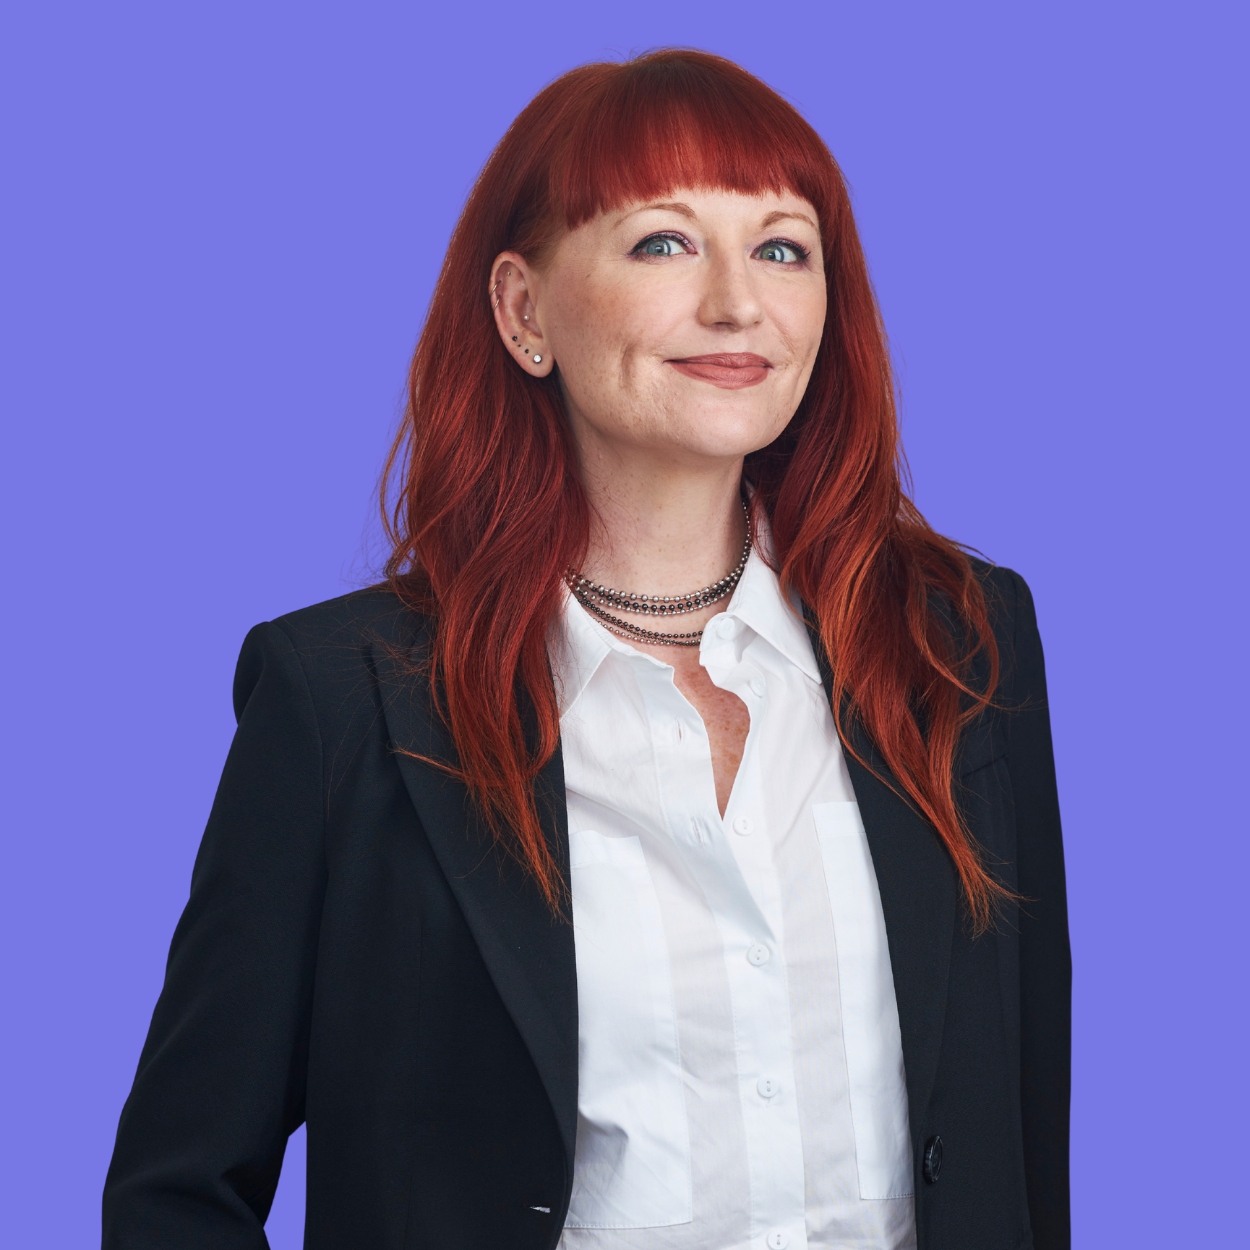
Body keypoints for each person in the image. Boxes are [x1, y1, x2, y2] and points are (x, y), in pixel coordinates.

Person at [103, 49, 1070, 1250]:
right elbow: (176, 1190)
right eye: (663, 242)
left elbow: (1022, 1142)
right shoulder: (343, 699)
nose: (736, 304)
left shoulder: (958, 640)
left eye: (781, 246)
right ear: (523, 311)